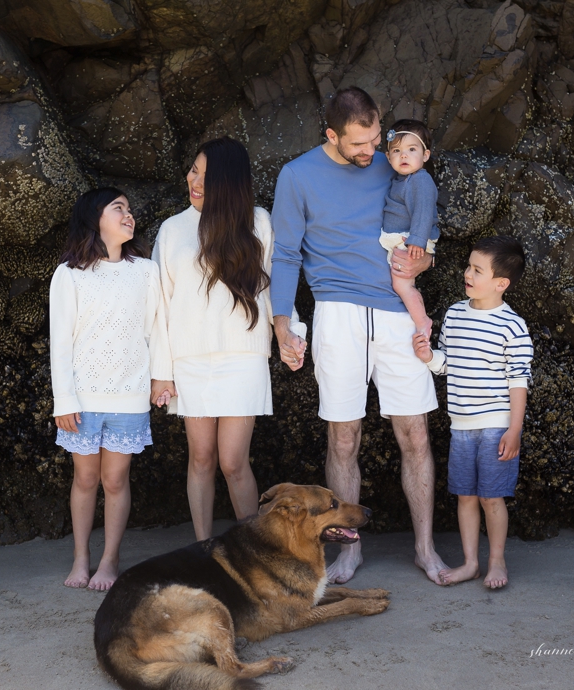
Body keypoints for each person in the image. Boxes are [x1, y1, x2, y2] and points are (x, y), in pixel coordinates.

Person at [271, 87, 449, 584]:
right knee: (343, 437)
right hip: (337, 313)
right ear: (332, 135)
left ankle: (425, 548)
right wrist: (282, 324)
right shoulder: (297, 175)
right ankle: (350, 552)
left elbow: (423, 232)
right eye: (362, 145)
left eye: (378, 139)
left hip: (396, 312)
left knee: (415, 433)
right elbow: (285, 253)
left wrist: (426, 259)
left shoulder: (393, 161)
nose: (375, 153)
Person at [153, 138, 296, 543]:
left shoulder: (258, 222)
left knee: (234, 462)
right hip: (189, 360)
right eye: (193, 170)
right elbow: (160, 306)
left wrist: (289, 333)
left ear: (229, 182)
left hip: (243, 358)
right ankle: (203, 549)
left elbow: (274, 289)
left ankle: (256, 551)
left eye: (204, 174)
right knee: (200, 458)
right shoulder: (172, 229)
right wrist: (162, 373)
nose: (192, 180)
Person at [49, 187, 169, 590]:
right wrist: (63, 400)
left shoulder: (146, 270)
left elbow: (159, 330)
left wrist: (161, 378)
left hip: (129, 396)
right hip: (82, 399)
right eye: (118, 208)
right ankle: (81, 558)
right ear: (94, 218)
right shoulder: (69, 274)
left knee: (116, 480)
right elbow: (60, 342)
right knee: (85, 479)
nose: (128, 215)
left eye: (130, 209)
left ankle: (109, 560)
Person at [413, 236, 532, 589]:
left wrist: (515, 430)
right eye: (468, 266)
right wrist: (428, 357)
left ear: (501, 283)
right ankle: (469, 563)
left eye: (477, 270)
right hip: (460, 426)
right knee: (465, 495)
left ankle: (496, 561)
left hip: (496, 426)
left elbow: (519, 382)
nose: (467, 273)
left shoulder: (512, 325)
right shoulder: (454, 314)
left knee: (491, 498)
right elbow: (447, 363)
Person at [378, 118, 440, 338]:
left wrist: (418, 239)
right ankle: (419, 316)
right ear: (388, 157)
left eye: (411, 149)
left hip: (411, 240)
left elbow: (423, 211)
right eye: (396, 150)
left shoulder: (420, 180)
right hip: (407, 238)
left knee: (402, 285)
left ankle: (422, 321)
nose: (403, 155)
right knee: (404, 285)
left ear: (425, 155)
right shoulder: (402, 180)